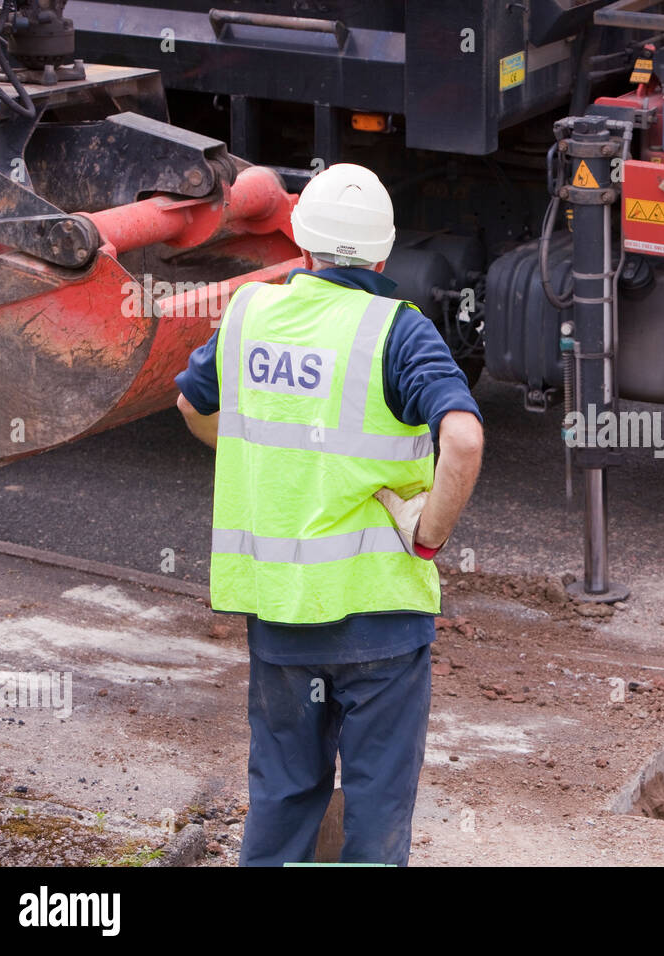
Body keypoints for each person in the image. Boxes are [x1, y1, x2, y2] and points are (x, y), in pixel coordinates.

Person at [174, 162, 483, 865]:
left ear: (303, 247)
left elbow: (193, 404)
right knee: (376, 814)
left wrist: (256, 453)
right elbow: (462, 438)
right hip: (381, 625)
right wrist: (428, 536)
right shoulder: (398, 333)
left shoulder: (250, 314)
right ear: (383, 254)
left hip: (282, 618)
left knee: (283, 797)